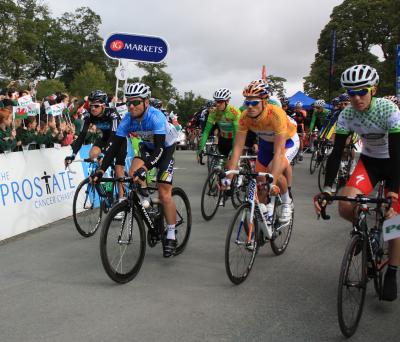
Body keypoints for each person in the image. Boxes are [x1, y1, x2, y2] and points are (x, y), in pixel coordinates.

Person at [314, 64, 400, 301]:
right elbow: (336, 153)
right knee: (345, 204)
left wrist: (393, 192)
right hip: (370, 162)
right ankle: (366, 233)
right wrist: (329, 189)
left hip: (395, 161)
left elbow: (396, 153)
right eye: (351, 93)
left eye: (362, 91)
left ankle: (392, 271)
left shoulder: (388, 109)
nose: (357, 97)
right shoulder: (346, 114)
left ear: (373, 89)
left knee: (394, 220)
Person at [92, 82, 179, 258]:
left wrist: (146, 168)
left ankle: (171, 233)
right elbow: (114, 148)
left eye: (136, 102)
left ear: (146, 102)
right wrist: (101, 170)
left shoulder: (156, 117)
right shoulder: (127, 120)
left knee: (164, 193)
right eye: (128, 102)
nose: (131, 106)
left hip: (165, 149)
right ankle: (147, 201)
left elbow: (160, 149)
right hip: (147, 147)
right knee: (133, 175)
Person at [224, 80, 298, 224]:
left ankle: (286, 202)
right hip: (265, 143)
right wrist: (228, 177)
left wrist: (273, 182)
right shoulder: (244, 117)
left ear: (264, 101)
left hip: (287, 142)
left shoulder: (276, 114)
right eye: (247, 103)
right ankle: (266, 216)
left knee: (271, 172)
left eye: (255, 103)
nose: (250, 107)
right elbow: (238, 148)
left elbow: (278, 153)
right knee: (260, 181)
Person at [64, 90, 127, 201]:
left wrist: (105, 154)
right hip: (104, 138)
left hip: (118, 140)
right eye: (91, 105)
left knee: (119, 170)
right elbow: (81, 136)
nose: (93, 108)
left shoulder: (112, 114)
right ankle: (103, 178)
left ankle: (121, 199)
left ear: (103, 106)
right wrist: (73, 155)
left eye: (96, 106)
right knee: (92, 154)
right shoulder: (90, 115)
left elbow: (113, 137)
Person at [197, 88, 241, 162]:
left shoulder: (235, 112)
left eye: (220, 102)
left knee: (231, 165)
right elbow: (206, 132)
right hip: (223, 139)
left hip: (234, 139)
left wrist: (233, 150)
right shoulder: (213, 112)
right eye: (216, 101)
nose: (217, 104)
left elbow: (237, 134)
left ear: (227, 101)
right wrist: (201, 149)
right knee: (223, 164)